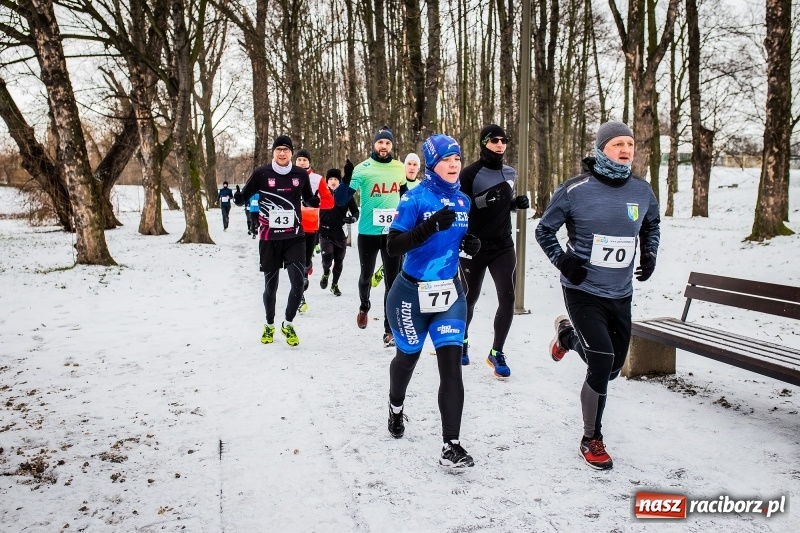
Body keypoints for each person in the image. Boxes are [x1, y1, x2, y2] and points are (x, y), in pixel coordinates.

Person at [535, 120, 660, 470]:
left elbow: (651, 224)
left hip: (620, 292)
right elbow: (544, 229)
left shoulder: (641, 191)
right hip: (582, 289)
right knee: (602, 361)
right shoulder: (575, 190)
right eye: (617, 143)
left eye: (630, 144)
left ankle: (566, 336)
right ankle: (591, 439)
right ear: (601, 148)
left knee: (613, 368)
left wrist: (649, 253)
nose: (625, 150)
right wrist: (563, 261)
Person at [385, 133, 481, 468]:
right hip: (410, 295)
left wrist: (469, 243)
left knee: (451, 367)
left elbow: (454, 240)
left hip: (449, 295)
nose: (454, 165)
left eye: (457, 158)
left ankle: (450, 445)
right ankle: (395, 407)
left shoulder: (464, 201)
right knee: (406, 361)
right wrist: (427, 229)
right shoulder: (415, 199)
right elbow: (393, 247)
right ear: (432, 164)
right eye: (446, 159)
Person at [458, 124, 529, 378]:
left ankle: (496, 353)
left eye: (504, 140)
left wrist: (514, 204)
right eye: (495, 140)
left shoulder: (510, 172)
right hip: (474, 246)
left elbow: (501, 205)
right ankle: (462, 342)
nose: (500, 144)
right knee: (469, 297)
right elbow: (461, 208)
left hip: (503, 246)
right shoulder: (469, 174)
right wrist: (481, 201)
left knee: (508, 298)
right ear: (484, 143)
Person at [240, 135, 320, 346]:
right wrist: (238, 198)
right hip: (269, 238)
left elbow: (307, 197)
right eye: (278, 149)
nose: (282, 153)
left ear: (291, 153)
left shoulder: (300, 174)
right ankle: (269, 325)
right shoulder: (261, 173)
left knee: (298, 283)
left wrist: (315, 200)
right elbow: (245, 195)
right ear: (273, 152)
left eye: (286, 149)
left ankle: (288, 323)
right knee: (271, 287)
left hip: (295, 236)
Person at [335, 126, 406, 347]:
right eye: (380, 142)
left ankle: (389, 330)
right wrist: (346, 179)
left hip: (393, 234)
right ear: (374, 144)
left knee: (392, 282)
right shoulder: (362, 169)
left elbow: (405, 196)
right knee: (366, 276)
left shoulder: (399, 168)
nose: (383, 146)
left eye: (387, 143)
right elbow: (340, 200)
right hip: (367, 232)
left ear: (391, 145)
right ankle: (364, 306)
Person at [372, 152, 422, 288]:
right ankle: (385, 272)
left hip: (414, 228)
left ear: (418, 168)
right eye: (409, 164)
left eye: (415, 164)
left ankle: (386, 271)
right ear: (404, 167)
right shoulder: (396, 184)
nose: (411, 167)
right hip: (398, 227)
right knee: (398, 258)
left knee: (406, 259)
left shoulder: (421, 187)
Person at [295, 149, 334, 313]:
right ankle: (299, 296)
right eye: (299, 160)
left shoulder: (317, 179)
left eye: (304, 159)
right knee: (296, 261)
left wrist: (316, 203)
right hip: (291, 225)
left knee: (304, 260)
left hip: (310, 225)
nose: (302, 162)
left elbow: (330, 202)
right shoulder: (287, 176)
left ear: (309, 162)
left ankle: (305, 270)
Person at [319, 168, 359, 296]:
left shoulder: (345, 194)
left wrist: (353, 218)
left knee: (339, 260)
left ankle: (334, 284)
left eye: (336, 179)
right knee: (327, 258)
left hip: (340, 232)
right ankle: (326, 272)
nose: (333, 181)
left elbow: (355, 211)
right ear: (327, 181)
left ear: (340, 181)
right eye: (330, 179)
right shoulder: (321, 193)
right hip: (324, 231)